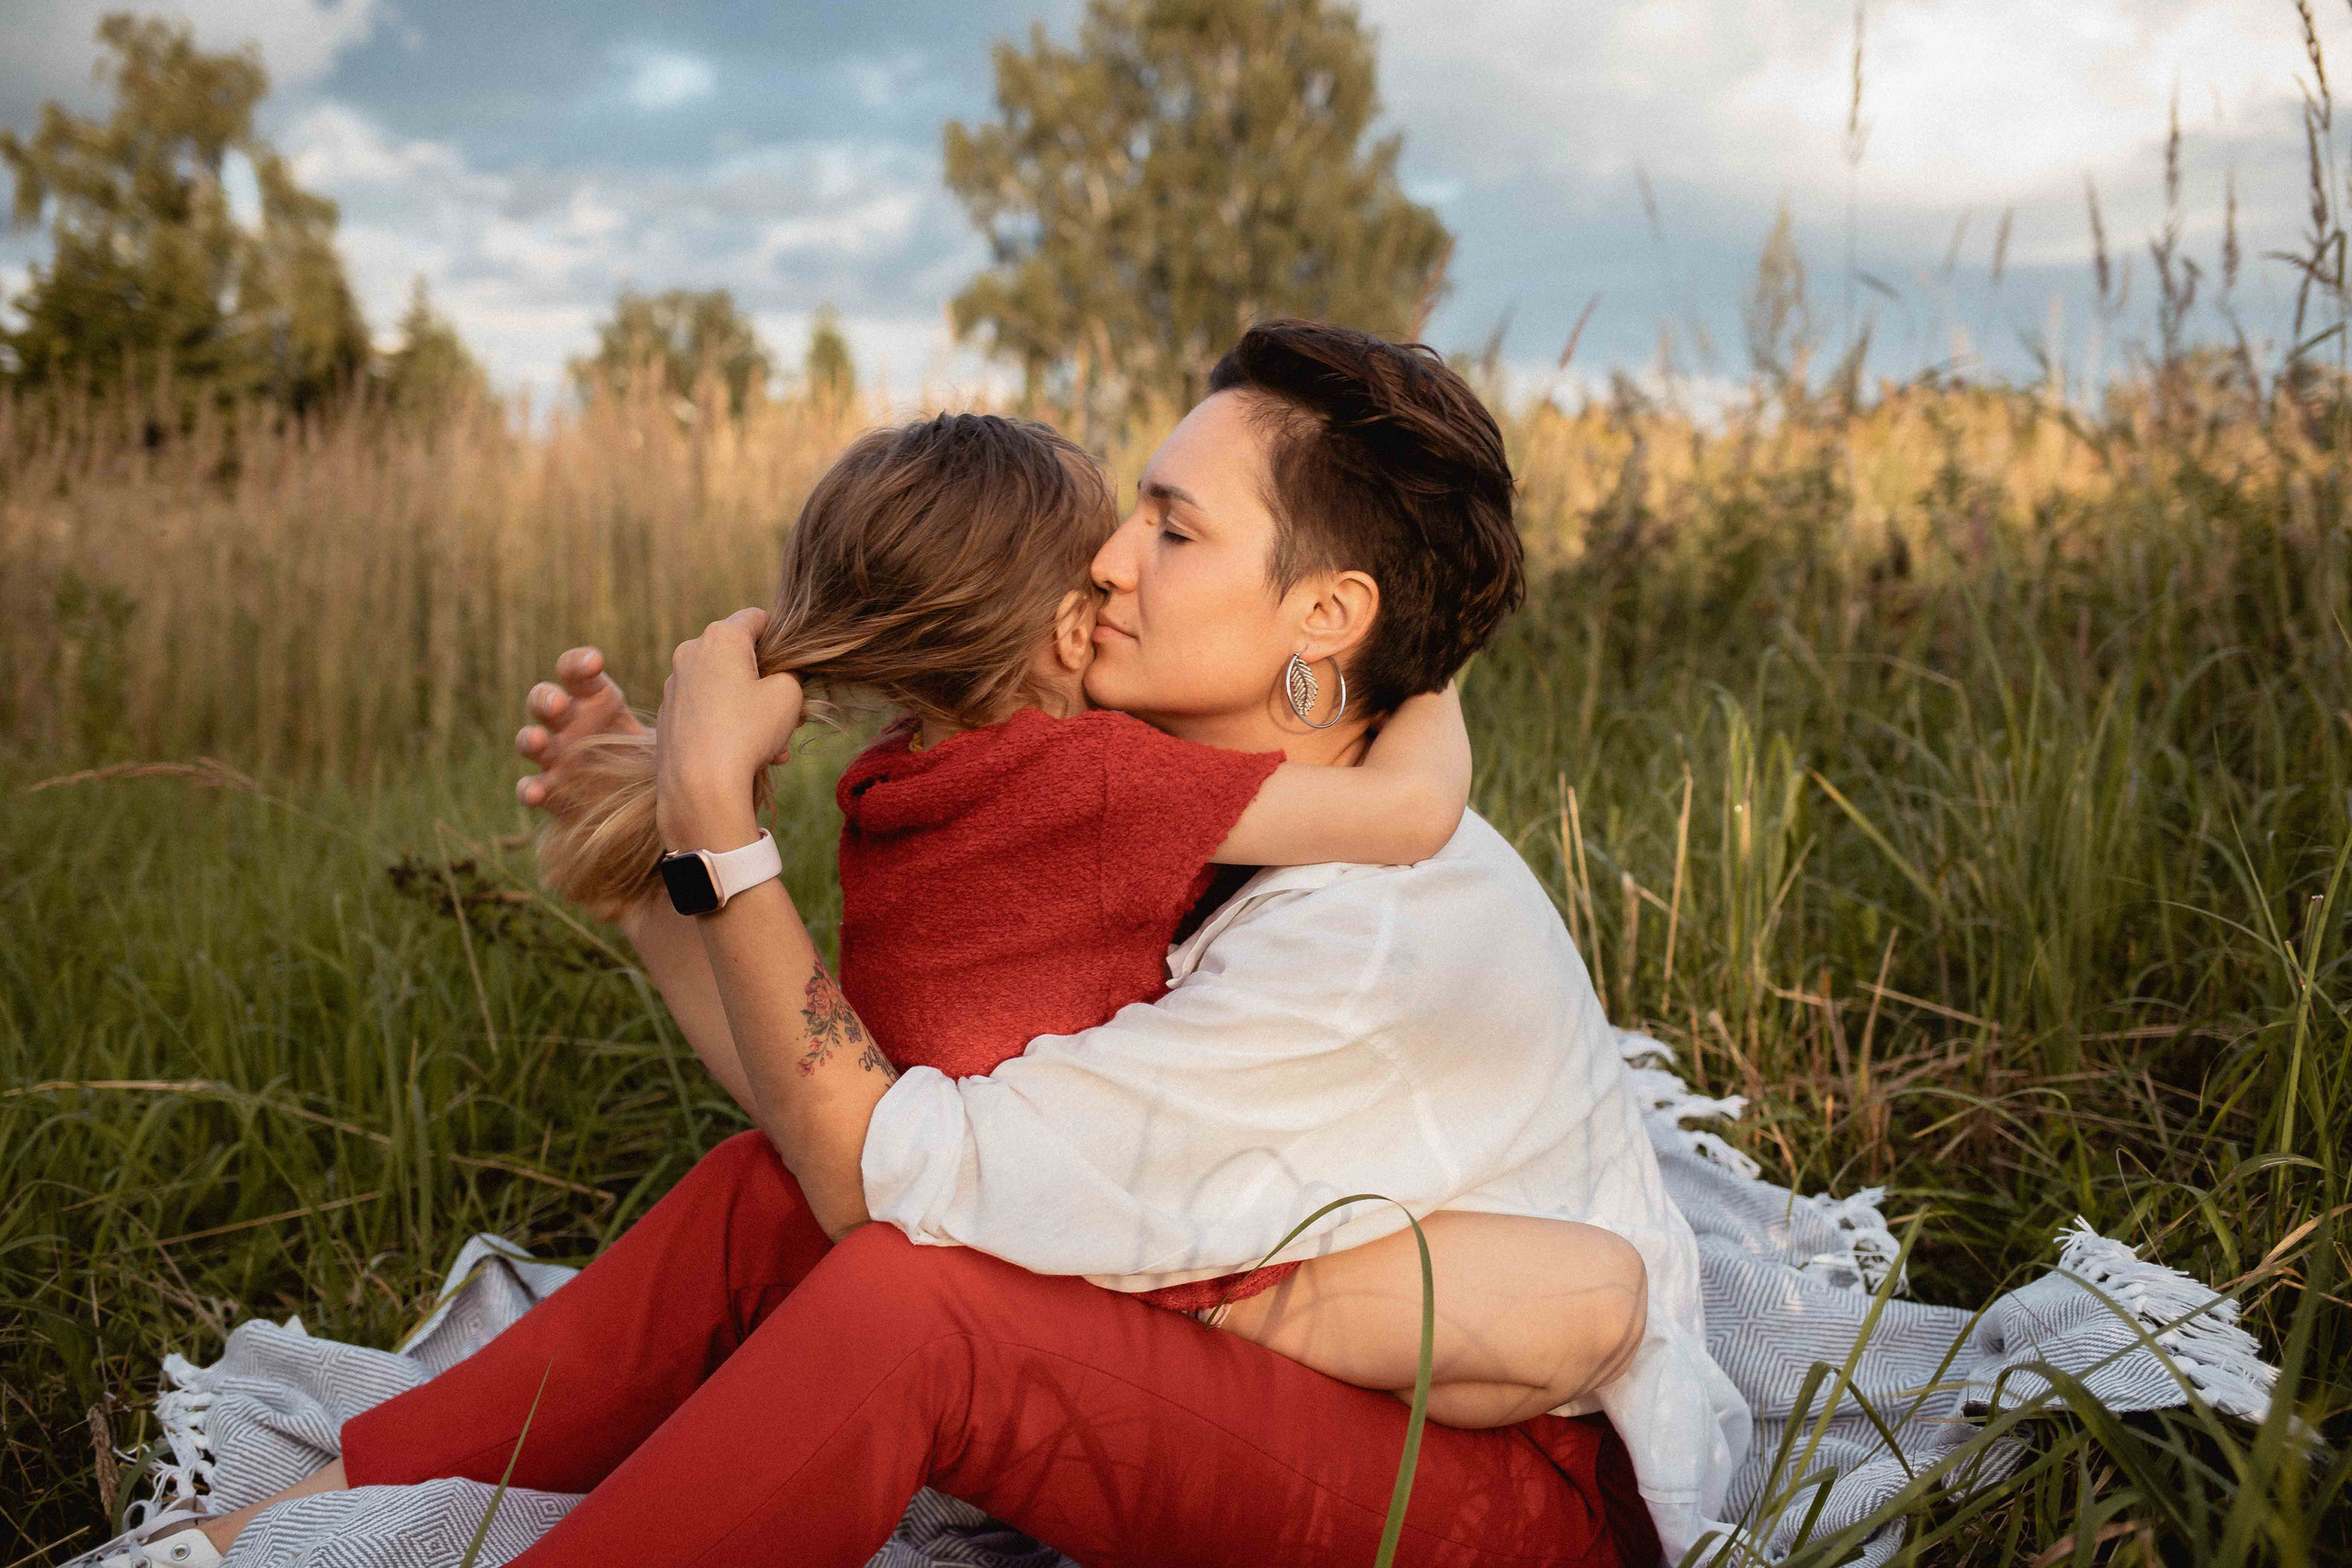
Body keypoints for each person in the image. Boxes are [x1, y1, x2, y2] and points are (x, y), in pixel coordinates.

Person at [109, 321, 1744, 1568]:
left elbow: (885, 1183)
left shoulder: (1361, 940)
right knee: (774, 1206)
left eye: (1174, 528)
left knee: (908, 1308)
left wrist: (716, 826)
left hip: (1496, 1509)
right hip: (1293, 1379)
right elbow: (838, 1131)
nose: (1105, 558)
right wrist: (663, 870)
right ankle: (300, 1513)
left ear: (1328, 619)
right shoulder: (1147, 812)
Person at [527, 405, 1644, 1423]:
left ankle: (372, 1476)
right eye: (1112, 541)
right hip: (1047, 1291)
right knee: (1586, 1298)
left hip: (962, 1222)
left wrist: (664, 863)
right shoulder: (1102, 782)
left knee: (755, 1185)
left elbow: (821, 1090)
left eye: (1168, 528)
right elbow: (1407, 807)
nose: (1118, 570)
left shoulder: (898, 784)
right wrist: (1409, 654)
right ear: (1061, 633)